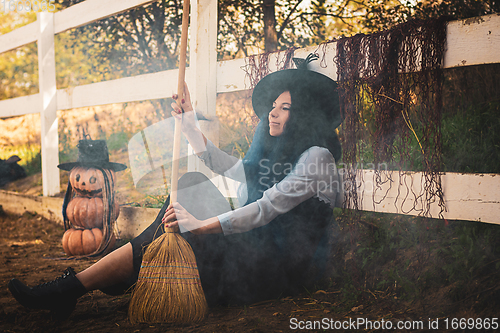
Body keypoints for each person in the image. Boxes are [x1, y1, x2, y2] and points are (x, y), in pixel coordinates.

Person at [8, 54, 343, 318]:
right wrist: (188, 122)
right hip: (254, 246)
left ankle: (72, 288)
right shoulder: (275, 150)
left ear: (305, 116)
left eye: (284, 108)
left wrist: (202, 226)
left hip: (278, 267)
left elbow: (266, 208)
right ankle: (75, 287)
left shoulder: (317, 157)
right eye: (273, 105)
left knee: (186, 227)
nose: (272, 113)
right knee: (186, 193)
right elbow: (235, 169)